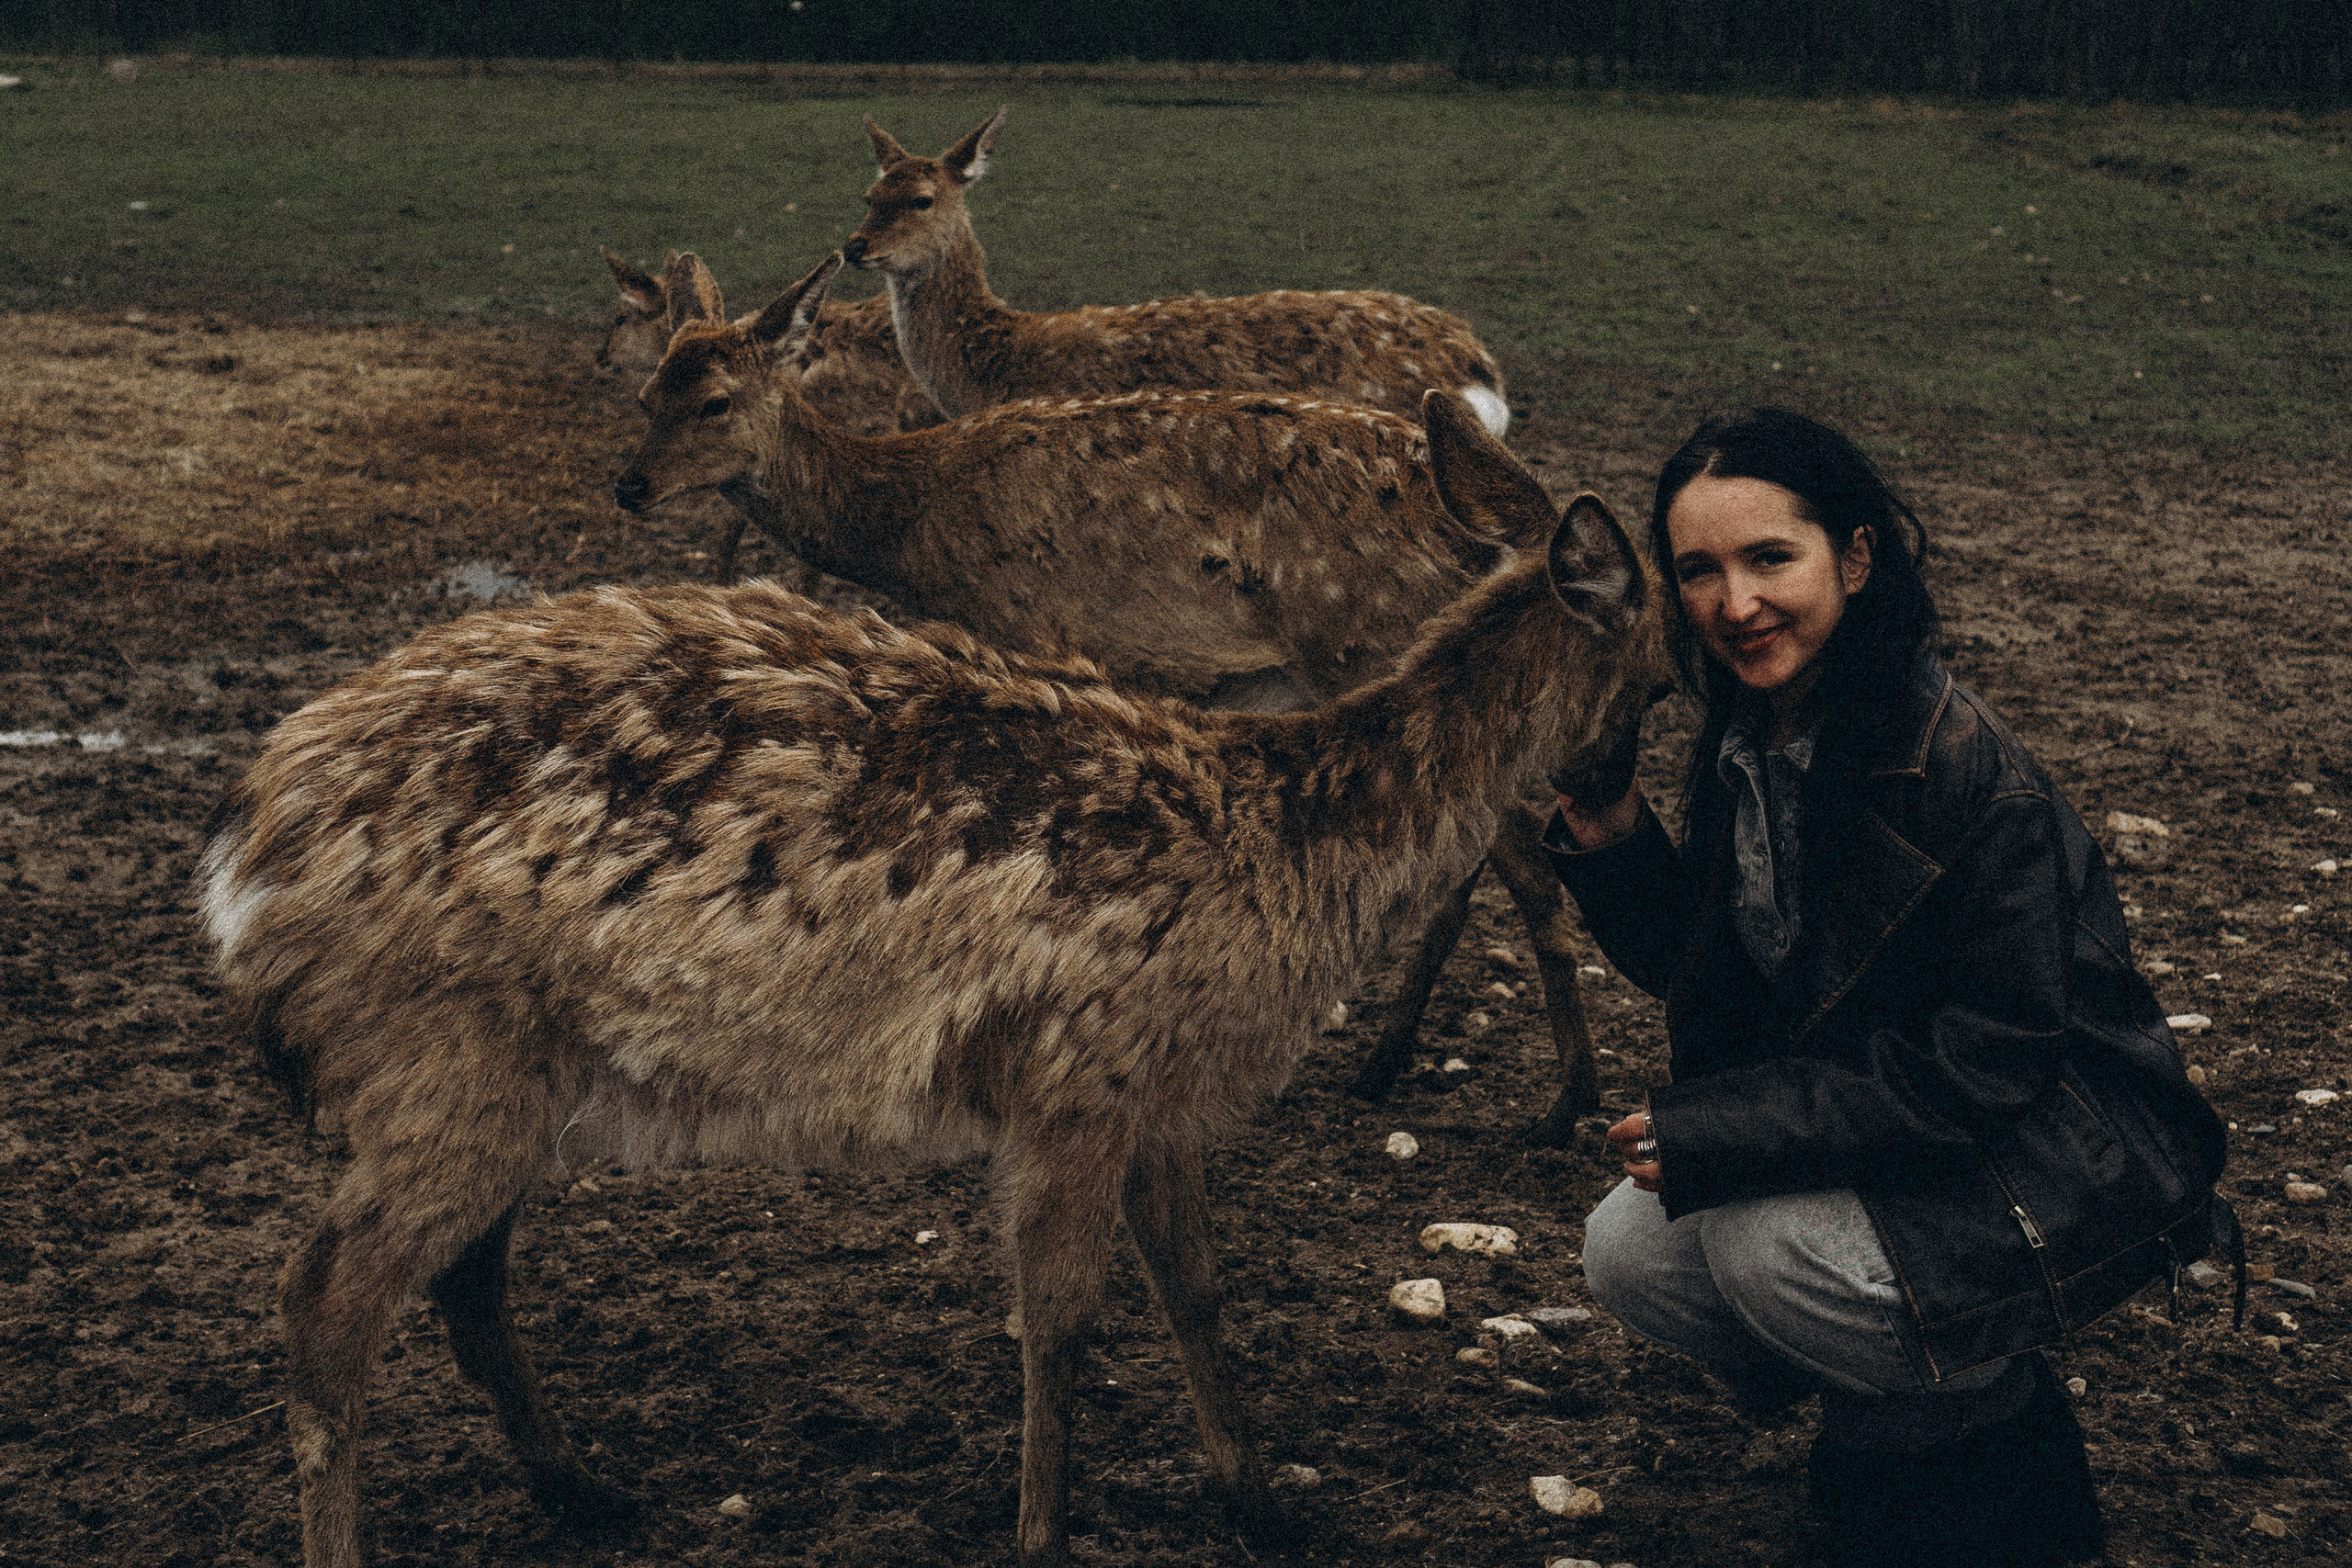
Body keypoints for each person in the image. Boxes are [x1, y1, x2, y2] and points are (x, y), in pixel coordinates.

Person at [1545, 409, 2227, 1567]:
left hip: (2051, 1151)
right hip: (1909, 1132)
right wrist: (1610, 827)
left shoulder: (1958, 770)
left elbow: (1990, 1057)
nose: (1734, 604)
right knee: (1633, 1248)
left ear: (1853, 560)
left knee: (1766, 1252)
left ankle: (2001, 1459)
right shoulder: (1752, 737)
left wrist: (1722, 1128)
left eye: (1771, 558)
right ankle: (1895, 1417)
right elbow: (1712, 967)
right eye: (1698, 571)